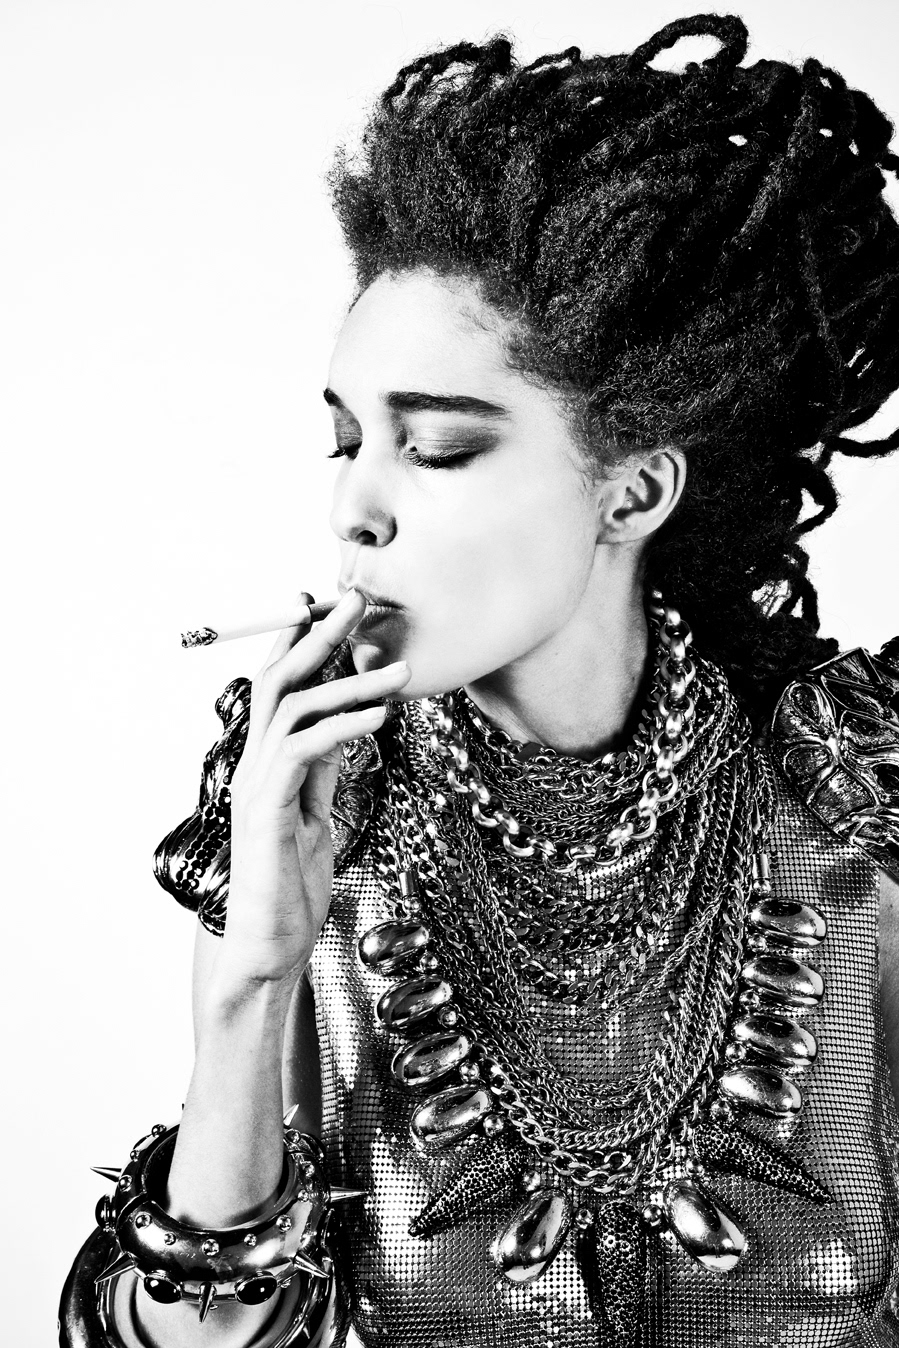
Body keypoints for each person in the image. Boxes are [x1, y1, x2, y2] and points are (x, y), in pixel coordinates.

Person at [60, 12, 899, 1347]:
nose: (356, 510)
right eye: (346, 442)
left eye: (438, 449)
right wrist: (252, 980)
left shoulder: (852, 798)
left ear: (633, 491)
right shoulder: (312, 804)